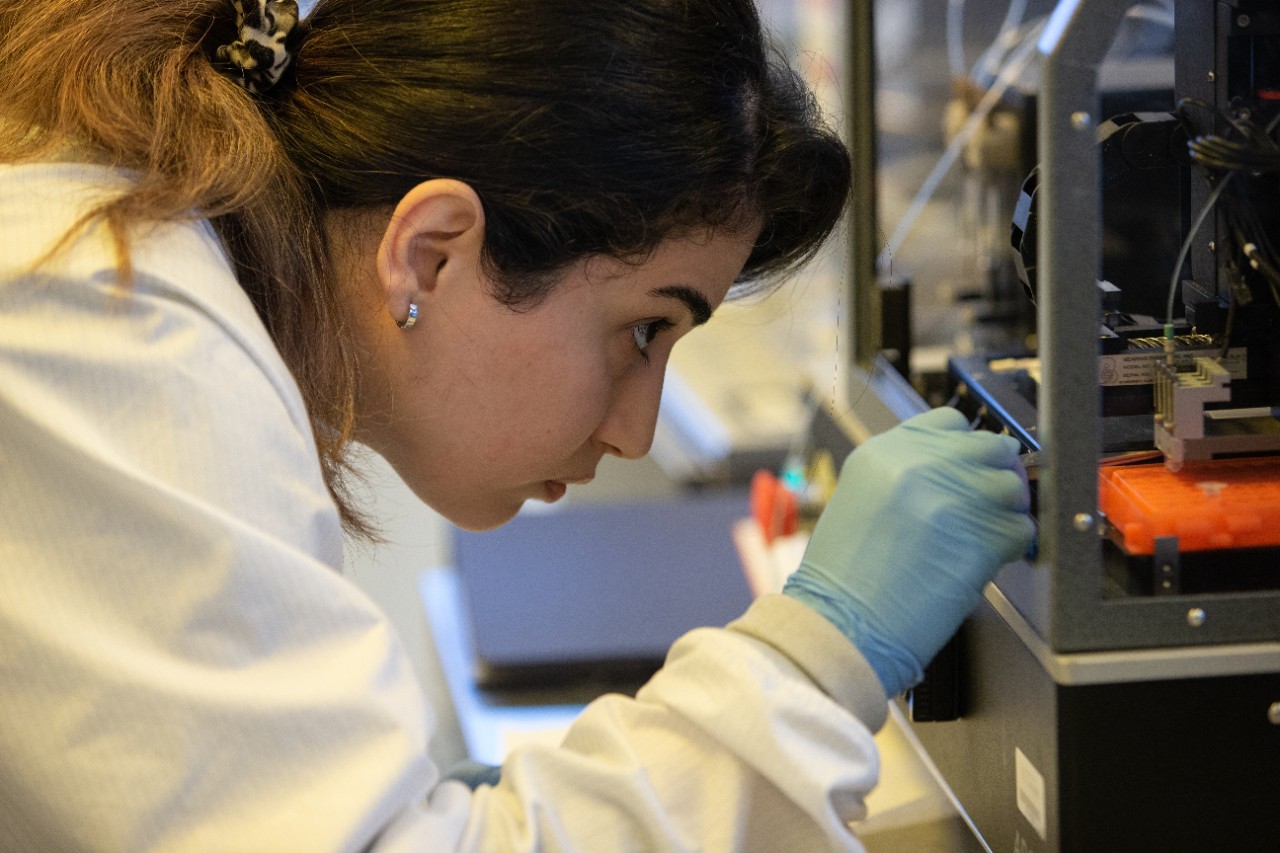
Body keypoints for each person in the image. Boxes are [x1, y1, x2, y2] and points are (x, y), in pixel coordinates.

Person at [0, 0, 1035, 849]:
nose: (634, 432)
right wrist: (819, 658)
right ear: (431, 254)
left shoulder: (148, 281)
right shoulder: (112, 324)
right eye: (642, 330)